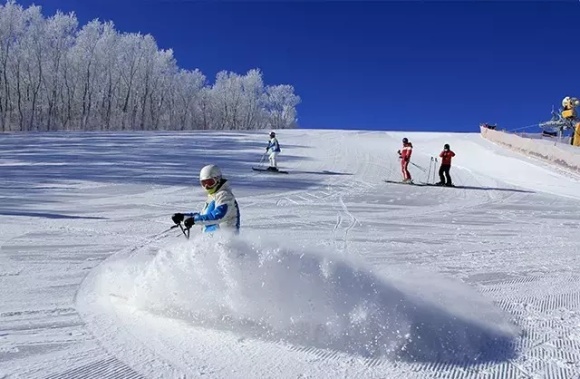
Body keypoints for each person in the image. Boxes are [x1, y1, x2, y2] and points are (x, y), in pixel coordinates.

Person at [171, 164, 240, 234]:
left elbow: (218, 216)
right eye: (204, 183)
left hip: (225, 241)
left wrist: (194, 220)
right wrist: (183, 217)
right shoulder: (213, 196)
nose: (207, 186)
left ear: (218, 180)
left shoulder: (225, 195)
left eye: (210, 182)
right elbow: (204, 215)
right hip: (212, 240)